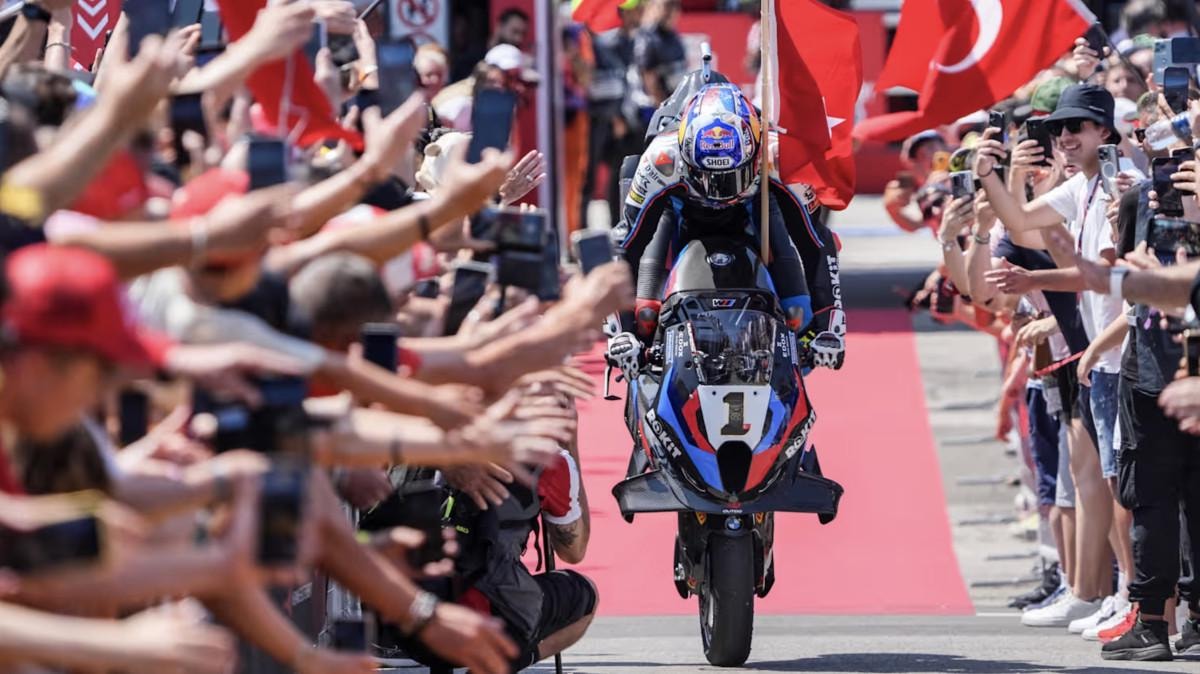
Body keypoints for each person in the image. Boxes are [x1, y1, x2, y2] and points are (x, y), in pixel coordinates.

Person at [608, 82, 845, 371]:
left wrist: (830, 328)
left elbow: (816, 242)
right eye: (707, 176)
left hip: (755, 206)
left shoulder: (778, 156)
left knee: (798, 314)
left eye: (730, 177)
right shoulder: (661, 160)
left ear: (755, 154)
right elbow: (625, 243)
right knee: (645, 315)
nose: (718, 192)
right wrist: (621, 332)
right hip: (677, 209)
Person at [584, 0, 644, 228]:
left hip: (636, 119)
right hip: (613, 122)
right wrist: (616, 117)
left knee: (638, 172)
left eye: (639, 9)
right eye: (633, 10)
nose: (637, 14)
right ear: (622, 13)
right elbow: (602, 84)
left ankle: (634, 224)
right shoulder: (606, 43)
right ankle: (615, 225)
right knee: (616, 174)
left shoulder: (641, 41)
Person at [633, 0, 686, 127]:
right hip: (653, 110)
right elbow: (648, 78)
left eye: (674, 7)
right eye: (666, 7)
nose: (670, 12)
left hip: (674, 108)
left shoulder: (674, 38)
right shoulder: (648, 37)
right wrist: (664, 111)